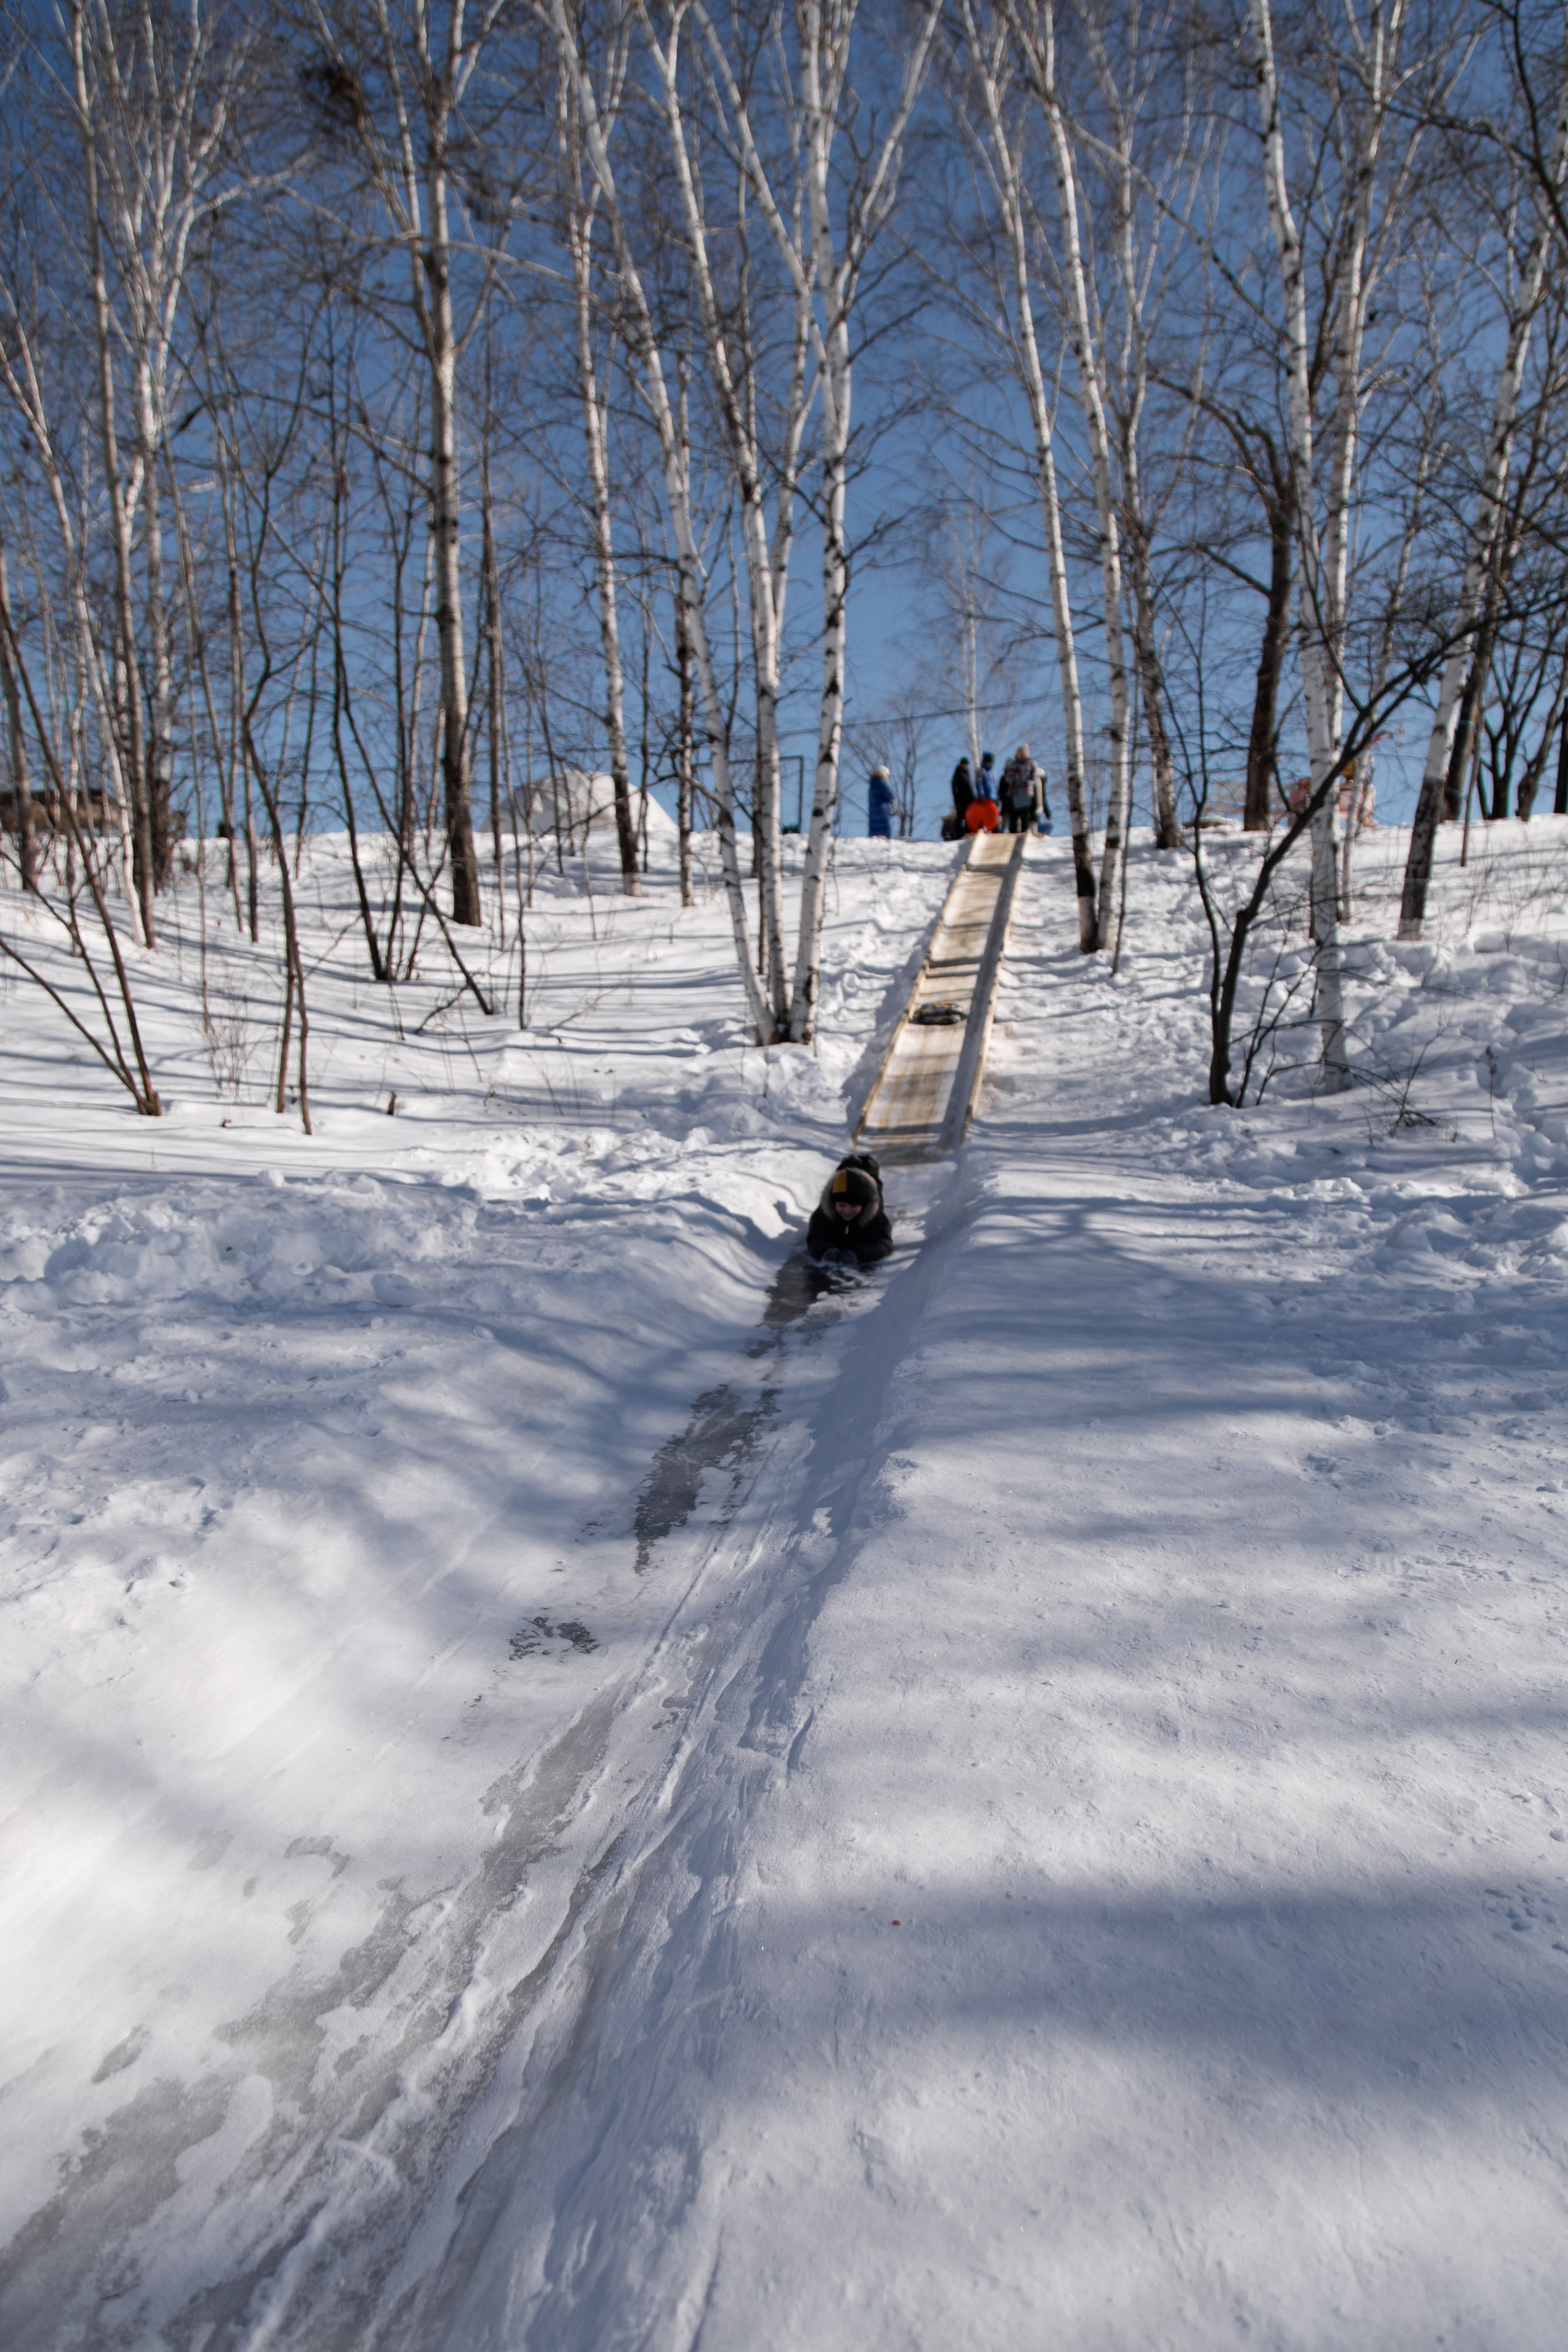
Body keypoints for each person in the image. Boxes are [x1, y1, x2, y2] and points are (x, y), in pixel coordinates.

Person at [806, 1152, 894, 1264]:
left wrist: (858, 1254)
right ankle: (847, 1168)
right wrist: (825, 1251)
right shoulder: (824, 1213)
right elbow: (816, 1238)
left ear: (863, 1204)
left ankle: (869, 1169)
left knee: (874, 1188)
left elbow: (883, 1244)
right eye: (842, 1205)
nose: (847, 1210)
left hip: (868, 1194)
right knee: (843, 1182)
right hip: (843, 1189)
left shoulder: (875, 1216)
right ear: (834, 1203)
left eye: (854, 1205)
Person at [1000, 742, 1041, 834]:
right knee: (1013, 815)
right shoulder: (1012, 765)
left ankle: (1025, 831)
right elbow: (1008, 776)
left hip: (1026, 793)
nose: (1022, 757)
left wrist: (1029, 782)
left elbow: (1035, 776)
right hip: (1014, 793)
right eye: (1020, 755)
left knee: (1025, 814)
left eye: (1023, 755)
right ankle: (1013, 833)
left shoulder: (1031, 764)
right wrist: (1013, 782)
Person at [867, 766, 895, 839]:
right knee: (884, 834)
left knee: (875, 832)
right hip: (883, 812)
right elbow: (891, 795)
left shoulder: (872, 785)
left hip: (873, 814)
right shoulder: (882, 783)